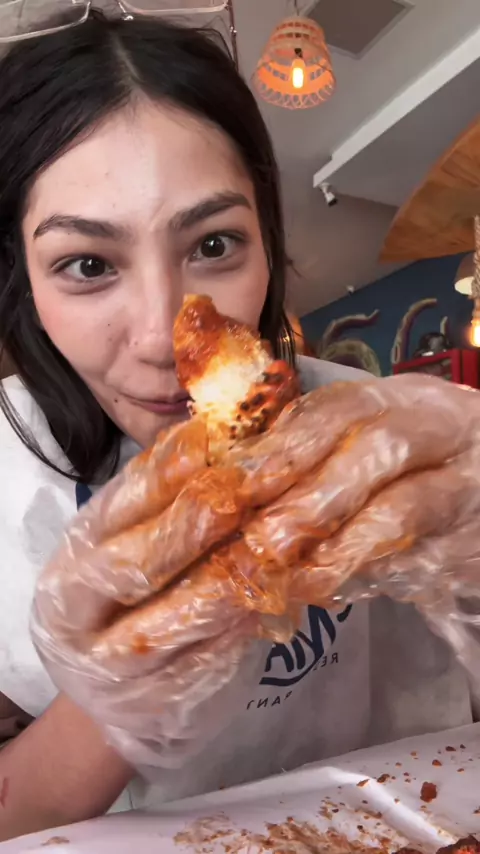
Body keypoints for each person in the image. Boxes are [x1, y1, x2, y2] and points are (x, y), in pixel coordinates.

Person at [0, 7, 479, 842]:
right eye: (87, 264)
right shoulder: (11, 480)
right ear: (25, 285)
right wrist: (114, 703)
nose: (163, 337)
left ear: (267, 240)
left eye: (214, 246)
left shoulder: (379, 429)